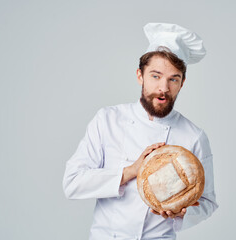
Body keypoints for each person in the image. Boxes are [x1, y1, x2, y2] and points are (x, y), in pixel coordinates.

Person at [63, 23, 218, 240]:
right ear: (140, 76)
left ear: (182, 84)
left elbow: (208, 203)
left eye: (173, 79)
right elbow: (72, 182)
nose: (163, 88)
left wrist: (181, 212)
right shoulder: (108, 120)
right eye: (155, 76)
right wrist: (131, 171)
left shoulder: (194, 136)